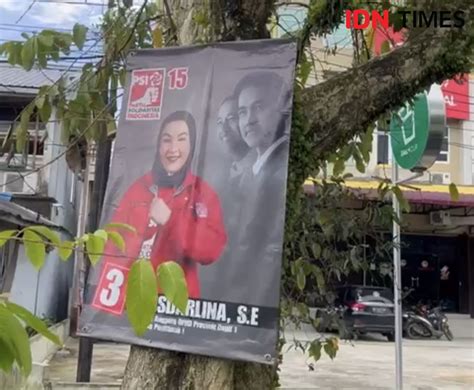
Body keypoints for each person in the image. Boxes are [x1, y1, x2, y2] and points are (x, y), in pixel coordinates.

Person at [96, 110, 227, 300]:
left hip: (178, 306)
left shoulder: (202, 192)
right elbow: (112, 246)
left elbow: (209, 251)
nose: (173, 148)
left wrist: (171, 220)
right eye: (167, 140)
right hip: (132, 301)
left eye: (182, 139)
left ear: (192, 146)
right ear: (158, 146)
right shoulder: (138, 188)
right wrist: (109, 299)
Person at [216, 95, 255, 187]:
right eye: (219, 122)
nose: (223, 129)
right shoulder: (225, 173)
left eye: (231, 119)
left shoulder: (260, 169)